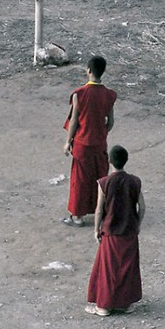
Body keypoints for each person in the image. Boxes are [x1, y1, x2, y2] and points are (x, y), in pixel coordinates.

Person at [85, 145, 145, 316]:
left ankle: (103, 306)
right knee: (126, 268)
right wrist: (137, 224)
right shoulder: (135, 181)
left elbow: (99, 209)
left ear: (110, 161)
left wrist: (96, 229)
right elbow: (142, 206)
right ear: (126, 161)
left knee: (108, 269)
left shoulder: (104, 182)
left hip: (110, 232)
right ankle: (123, 304)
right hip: (129, 232)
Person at [62, 56, 116, 227]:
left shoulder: (80, 94)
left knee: (80, 180)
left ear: (88, 70)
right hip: (99, 144)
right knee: (100, 178)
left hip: (82, 143)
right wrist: (101, 133)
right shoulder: (109, 95)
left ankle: (77, 216)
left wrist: (68, 141)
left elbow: (74, 121)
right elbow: (111, 122)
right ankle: (103, 212)